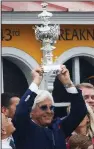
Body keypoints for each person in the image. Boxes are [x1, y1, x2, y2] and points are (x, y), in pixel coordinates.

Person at [12, 65, 87, 149]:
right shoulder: (24, 127)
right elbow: (21, 111)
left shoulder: (58, 128)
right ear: (31, 111)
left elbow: (80, 111)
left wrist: (68, 83)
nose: (49, 111)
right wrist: (36, 82)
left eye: (51, 107)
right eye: (43, 107)